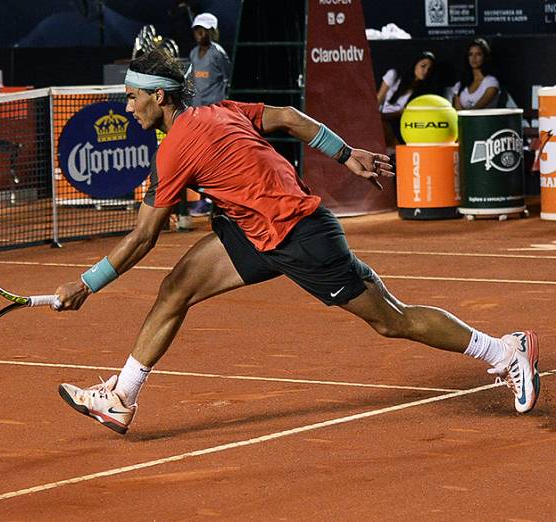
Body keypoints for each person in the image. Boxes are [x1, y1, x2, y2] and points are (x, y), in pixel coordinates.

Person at [54, 49, 540, 435]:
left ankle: (502, 351)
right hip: (255, 231)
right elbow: (286, 116)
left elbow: (143, 237)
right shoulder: (217, 110)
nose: (127, 106)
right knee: (177, 288)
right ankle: (123, 398)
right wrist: (345, 153)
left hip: (300, 236)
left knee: (393, 321)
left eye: (133, 96)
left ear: (159, 98)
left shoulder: (177, 144)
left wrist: (86, 283)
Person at [184, 12, 231, 218]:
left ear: (211, 32)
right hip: (197, 113)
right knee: (199, 156)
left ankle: (217, 198)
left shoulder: (218, 54)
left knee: (217, 155)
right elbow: (192, 81)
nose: (199, 34)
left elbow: (228, 79)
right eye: (196, 30)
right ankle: (203, 199)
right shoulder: (194, 54)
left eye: (202, 30)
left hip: (216, 115)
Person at [376, 51, 437, 148]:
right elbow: (378, 100)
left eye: (429, 69)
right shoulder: (394, 75)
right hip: (382, 119)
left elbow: (404, 113)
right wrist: (376, 118)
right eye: (423, 66)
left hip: (401, 123)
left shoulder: (422, 91)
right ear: (415, 64)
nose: (426, 71)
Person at [452, 38, 499, 110]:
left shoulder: (491, 82)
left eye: (478, 54)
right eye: (470, 54)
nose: (473, 58)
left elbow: (476, 111)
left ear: (485, 57)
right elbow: (458, 112)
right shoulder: (460, 85)